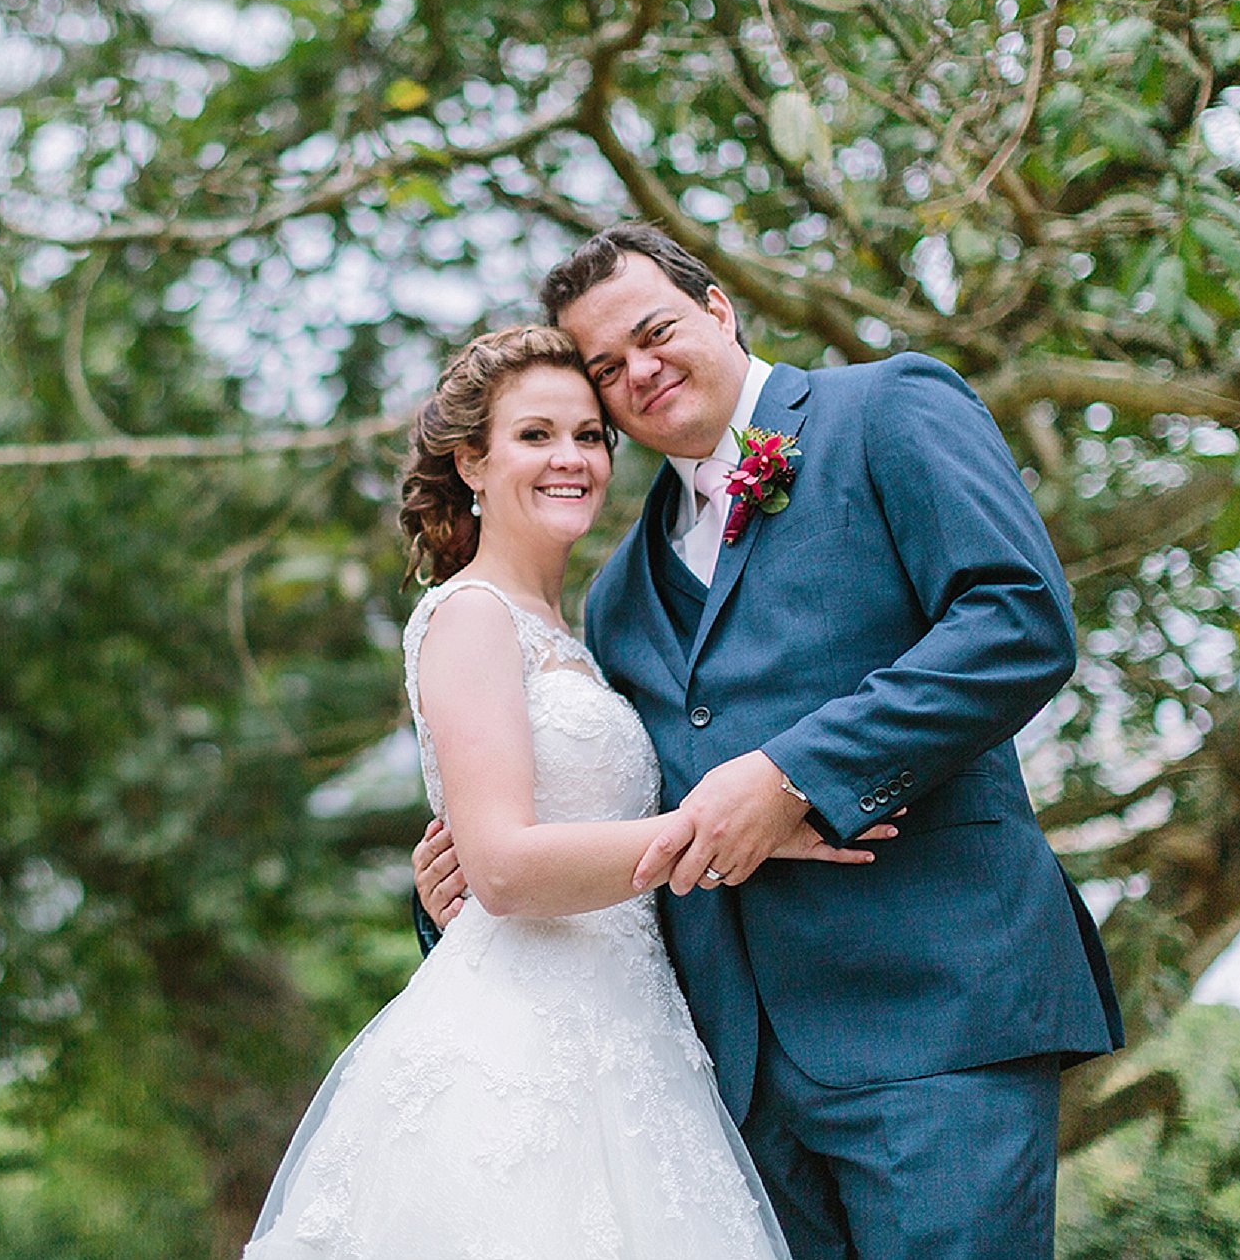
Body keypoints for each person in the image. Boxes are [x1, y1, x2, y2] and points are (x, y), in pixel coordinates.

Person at [413, 224, 1124, 1260]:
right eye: (607, 367)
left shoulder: (887, 409)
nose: (639, 371)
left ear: (718, 308)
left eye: (655, 332)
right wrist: (458, 895)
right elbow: (600, 802)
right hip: (729, 1086)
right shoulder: (617, 595)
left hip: (932, 1020)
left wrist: (794, 775)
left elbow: (1018, 619)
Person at [245, 325, 893, 1259]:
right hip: (523, 1045)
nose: (571, 458)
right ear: (471, 461)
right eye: (535, 434)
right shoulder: (470, 615)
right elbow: (503, 868)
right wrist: (720, 828)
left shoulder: (584, 637)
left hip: (637, 1036)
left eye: (590, 435)